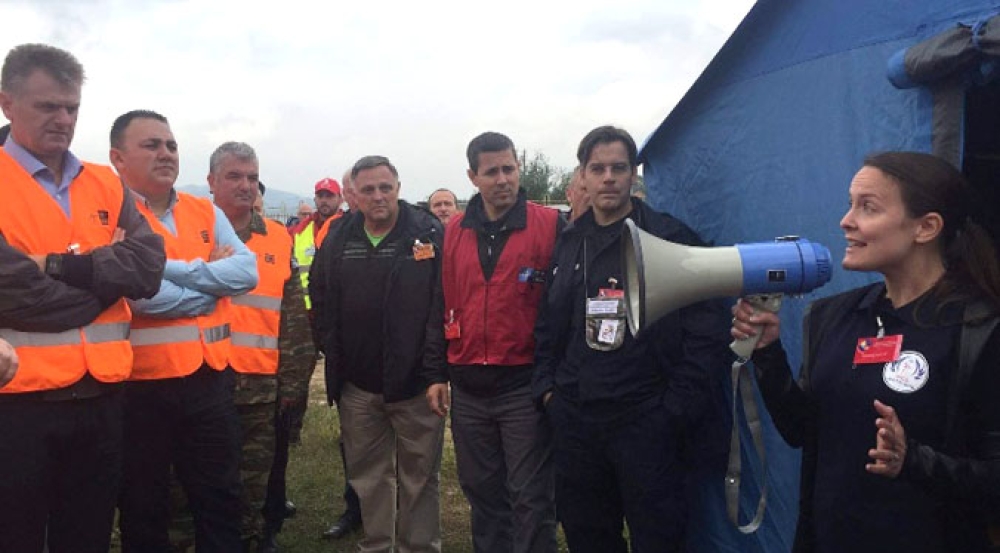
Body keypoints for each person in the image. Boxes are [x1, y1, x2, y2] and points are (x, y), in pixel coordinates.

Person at [731, 151, 1000, 553]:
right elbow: (801, 429)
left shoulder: (980, 330)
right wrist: (768, 354)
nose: (846, 221)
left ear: (926, 227)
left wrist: (913, 461)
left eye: (867, 207)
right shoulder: (832, 317)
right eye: (850, 203)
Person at [0, 43, 166, 553]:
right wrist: (101, 288)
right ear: (7, 103)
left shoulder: (103, 182)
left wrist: (61, 269)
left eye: (71, 107)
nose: (63, 119)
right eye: (47, 106)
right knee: (17, 535)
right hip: (18, 403)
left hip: (102, 398)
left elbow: (148, 267)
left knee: (87, 534)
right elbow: (12, 287)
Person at [532, 125, 725, 552]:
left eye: (618, 168)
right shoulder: (568, 241)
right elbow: (548, 324)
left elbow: (707, 330)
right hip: (577, 419)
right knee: (587, 534)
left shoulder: (669, 237)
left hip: (646, 422)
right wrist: (547, 391)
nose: (608, 178)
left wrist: (674, 410)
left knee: (658, 537)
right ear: (581, 174)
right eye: (597, 168)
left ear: (634, 173)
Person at [110, 109, 258, 553]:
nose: (165, 153)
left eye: (171, 145)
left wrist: (163, 269)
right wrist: (207, 289)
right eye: (151, 145)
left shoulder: (203, 209)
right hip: (141, 387)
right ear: (118, 157)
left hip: (209, 382)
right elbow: (137, 295)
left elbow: (245, 272)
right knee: (144, 505)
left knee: (220, 498)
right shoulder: (108, 214)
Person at [426, 132, 560, 553]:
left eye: (509, 169)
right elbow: (440, 302)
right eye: (492, 172)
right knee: (482, 493)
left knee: (530, 496)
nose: (503, 179)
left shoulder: (552, 226)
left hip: (523, 385)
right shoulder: (453, 232)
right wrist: (437, 374)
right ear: (473, 176)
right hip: (468, 387)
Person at [311, 155, 446, 553]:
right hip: (358, 386)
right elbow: (320, 297)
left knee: (420, 478)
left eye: (385, 187)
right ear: (353, 194)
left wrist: (436, 370)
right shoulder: (339, 237)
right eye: (368, 189)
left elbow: (441, 306)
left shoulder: (427, 233)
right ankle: (377, 545)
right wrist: (333, 355)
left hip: (416, 384)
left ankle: (419, 547)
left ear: (399, 188)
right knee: (369, 477)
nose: (378, 196)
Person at [209, 143, 315, 553]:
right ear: (213, 181)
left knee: (253, 492)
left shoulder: (276, 238)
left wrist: (292, 386)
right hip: (201, 384)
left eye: (252, 177)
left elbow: (291, 317)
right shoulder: (191, 229)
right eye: (234, 176)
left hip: (259, 389)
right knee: (191, 488)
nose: (245, 185)